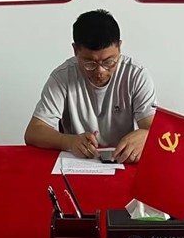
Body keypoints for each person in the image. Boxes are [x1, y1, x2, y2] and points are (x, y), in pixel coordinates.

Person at [24, 9, 156, 163]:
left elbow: (152, 128)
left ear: (119, 47)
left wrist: (147, 135)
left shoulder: (135, 75)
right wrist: (69, 141)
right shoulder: (62, 77)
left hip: (122, 161)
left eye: (109, 61)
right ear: (75, 50)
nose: (100, 71)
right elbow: (34, 132)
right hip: (79, 162)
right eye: (90, 63)